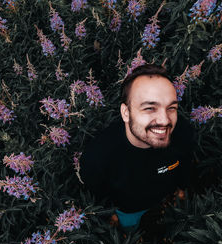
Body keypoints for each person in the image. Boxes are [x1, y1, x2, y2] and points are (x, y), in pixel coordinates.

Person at [80, 64, 196, 233]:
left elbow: (186, 163)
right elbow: (96, 194)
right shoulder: (97, 156)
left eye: (171, 108)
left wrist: (182, 188)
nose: (164, 121)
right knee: (132, 231)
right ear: (125, 112)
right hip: (128, 211)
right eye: (149, 108)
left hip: (165, 200)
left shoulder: (183, 133)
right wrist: (109, 215)